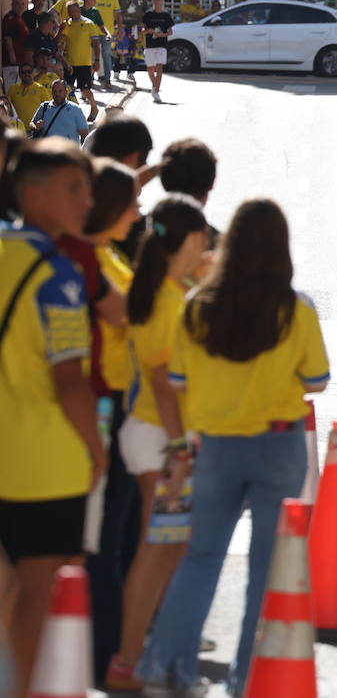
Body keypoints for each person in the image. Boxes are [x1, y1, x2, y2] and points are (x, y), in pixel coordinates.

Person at [136, 199, 329, 697]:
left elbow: (177, 378)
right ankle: (247, 678)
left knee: (200, 558)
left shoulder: (198, 306)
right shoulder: (296, 309)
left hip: (215, 447)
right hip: (277, 444)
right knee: (266, 570)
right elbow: (317, 380)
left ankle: (164, 666)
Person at [0, 138, 104, 697]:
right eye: (74, 188)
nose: (87, 200)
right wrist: (97, 450)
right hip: (46, 466)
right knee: (37, 599)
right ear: (32, 193)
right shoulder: (58, 275)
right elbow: (70, 382)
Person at [107, 194, 210, 690]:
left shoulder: (164, 289)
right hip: (162, 441)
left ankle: (150, 659)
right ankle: (130, 661)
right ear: (190, 238)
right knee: (157, 551)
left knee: (167, 550)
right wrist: (181, 454)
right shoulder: (169, 300)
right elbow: (167, 383)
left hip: (154, 437)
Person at [79, 160, 144, 683]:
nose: (140, 211)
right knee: (102, 539)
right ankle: (103, 654)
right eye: (131, 202)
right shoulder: (88, 258)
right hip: (101, 407)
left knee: (117, 533)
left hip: (117, 405)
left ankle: (112, 646)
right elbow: (125, 314)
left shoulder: (103, 253)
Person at [59, 0, 102, 120]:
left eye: (74, 10)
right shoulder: (67, 24)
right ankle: (69, 113)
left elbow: (96, 43)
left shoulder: (89, 24)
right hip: (69, 63)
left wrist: (97, 60)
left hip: (84, 63)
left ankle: (94, 107)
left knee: (85, 89)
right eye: (70, 11)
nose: (73, 13)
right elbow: (61, 41)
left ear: (79, 9)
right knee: (67, 88)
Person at [142, 0, 175, 104]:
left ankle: (156, 90)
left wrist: (162, 34)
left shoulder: (166, 15)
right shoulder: (148, 15)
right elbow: (143, 30)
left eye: (159, 0)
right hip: (150, 44)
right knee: (150, 68)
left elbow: (170, 32)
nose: (157, 2)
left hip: (162, 45)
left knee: (159, 67)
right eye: (155, 0)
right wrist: (149, 31)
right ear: (153, 2)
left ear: (162, 1)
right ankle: (154, 85)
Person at [116, 0, 148, 83]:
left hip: (136, 27)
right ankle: (117, 70)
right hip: (123, 26)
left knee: (134, 50)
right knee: (120, 49)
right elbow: (116, 11)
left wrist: (143, 26)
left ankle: (131, 72)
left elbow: (145, 12)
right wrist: (118, 25)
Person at [92, 0, 119, 89]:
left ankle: (108, 80)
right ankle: (91, 79)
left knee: (106, 56)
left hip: (107, 33)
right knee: (92, 56)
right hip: (92, 32)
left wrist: (120, 29)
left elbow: (118, 15)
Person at [6, 63, 49, 129]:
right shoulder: (12, 89)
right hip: (19, 129)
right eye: (23, 72)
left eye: (29, 71)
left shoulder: (41, 89)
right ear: (19, 74)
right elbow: (7, 108)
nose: (26, 74)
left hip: (36, 129)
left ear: (33, 73)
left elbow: (48, 109)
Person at [2, 0, 26, 87]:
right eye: (17, 4)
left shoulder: (19, 18)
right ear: (12, 5)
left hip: (20, 60)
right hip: (12, 61)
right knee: (10, 86)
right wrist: (12, 54)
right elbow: (8, 37)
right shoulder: (10, 18)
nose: (20, 7)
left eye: (22, 4)